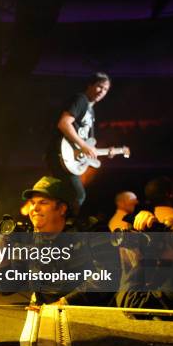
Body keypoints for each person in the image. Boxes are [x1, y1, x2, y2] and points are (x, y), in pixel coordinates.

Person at [20, 176, 118, 306]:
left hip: (84, 315)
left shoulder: (92, 231)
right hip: (43, 310)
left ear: (62, 209)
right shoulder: (31, 236)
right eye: (32, 203)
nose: (35, 208)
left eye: (43, 202)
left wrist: (64, 303)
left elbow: (107, 277)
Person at [45, 72, 111, 211]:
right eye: (100, 86)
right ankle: (67, 229)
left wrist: (105, 152)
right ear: (90, 85)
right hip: (60, 155)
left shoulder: (91, 111)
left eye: (106, 89)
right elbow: (64, 123)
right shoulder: (80, 99)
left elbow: (88, 142)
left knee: (64, 197)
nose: (102, 91)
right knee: (77, 195)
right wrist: (83, 145)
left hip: (69, 157)